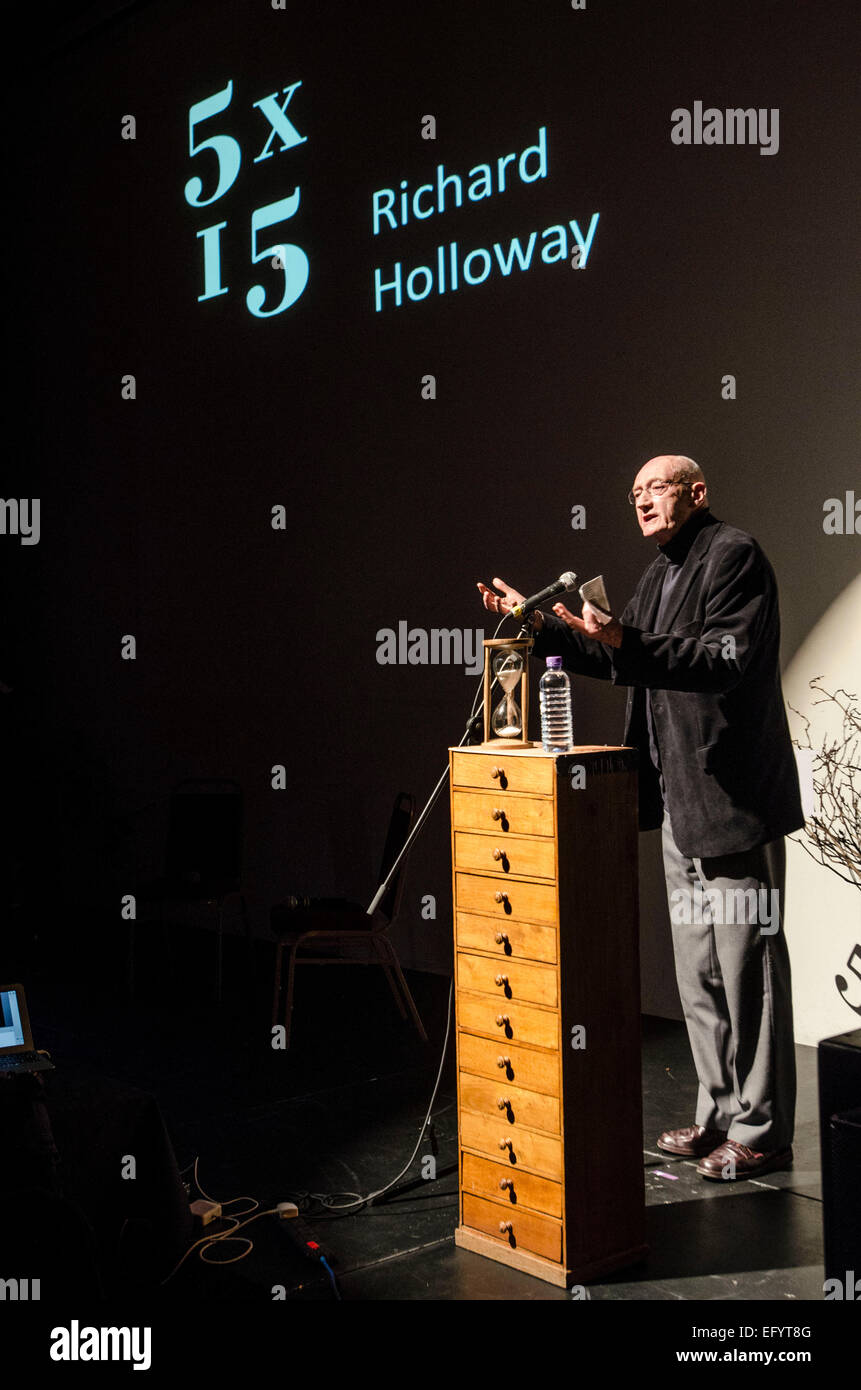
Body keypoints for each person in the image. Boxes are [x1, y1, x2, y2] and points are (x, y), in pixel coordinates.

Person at [478, 455, 804, 1180]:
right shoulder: (659, 573)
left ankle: (761, 1130)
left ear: (696, 491)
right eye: (632, 494)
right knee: (698, 975)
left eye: (654, 488)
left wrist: (625, 641)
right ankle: (718, 1110)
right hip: (677, 798)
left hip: (732, 800)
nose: (642, 502)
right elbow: (625, 658)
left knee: (746, 967)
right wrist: (534, 626)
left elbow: (722, 659)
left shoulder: (733, 554)